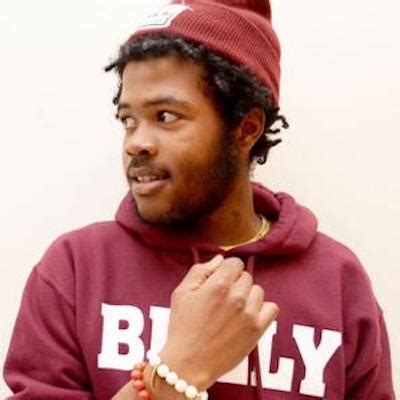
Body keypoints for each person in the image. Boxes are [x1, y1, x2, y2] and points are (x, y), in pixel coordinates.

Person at [4, 0, 395, 399]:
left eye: (165, 116)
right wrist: (180, 370)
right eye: (128, 120)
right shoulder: (76, 269)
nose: (136, 142)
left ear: (246, 128)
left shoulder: (337, 282)